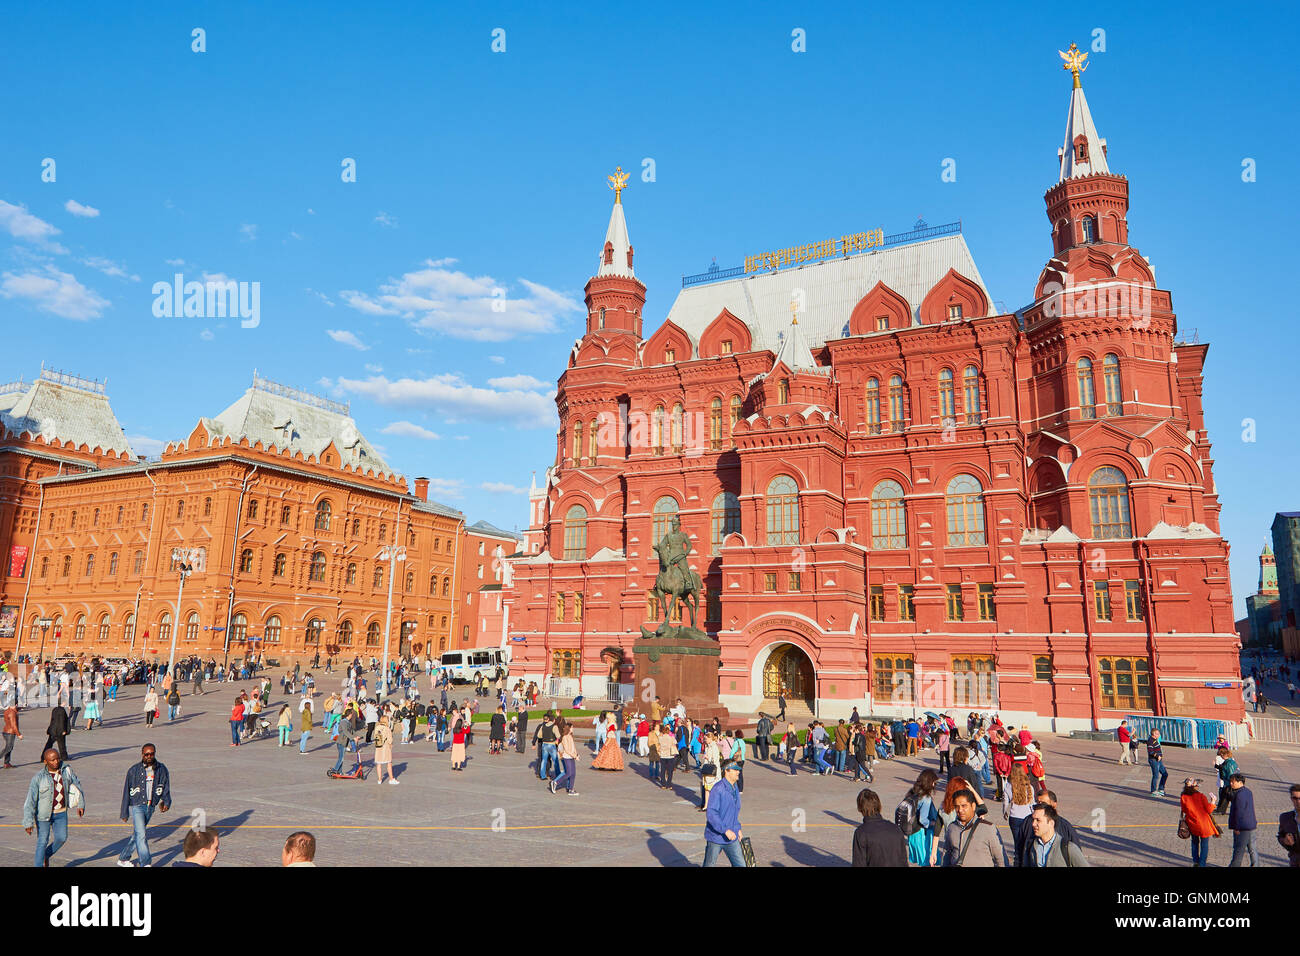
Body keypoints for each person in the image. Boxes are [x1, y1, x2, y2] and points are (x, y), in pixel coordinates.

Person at [22, 748, 85, 867]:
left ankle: (45, 855)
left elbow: (77, 785)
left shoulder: (66, 770)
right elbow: (30, 800)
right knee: (42, 841)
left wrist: (81, 804)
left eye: (57, 759)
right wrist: (28, 822)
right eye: (52, 760)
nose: (56, 762)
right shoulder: (38, 778)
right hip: (43, 815)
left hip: (61, 813)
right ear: (46, 762)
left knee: (62, 838)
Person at [116, 743, 171, 867]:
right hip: (137, 806)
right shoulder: (133, 770)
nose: (149, 756)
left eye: (152, 754)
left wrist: (166, 802)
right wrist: (124, 812)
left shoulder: (162, 769)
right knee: (142, 834)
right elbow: (126, 791)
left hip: (151, 806)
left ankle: (123, 858)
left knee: (137, 834)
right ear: (142, 754)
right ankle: (145, 863)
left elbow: (166, 787)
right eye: (146, 754)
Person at [940, 789, 1005, 867]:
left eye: (964, 806)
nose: (960, 810)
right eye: (957, 807)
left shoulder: (988, 828)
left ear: (973, 806)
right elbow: (946, 856)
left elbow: (1001, 860)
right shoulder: (952, 828)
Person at [702, 761, 744, 866]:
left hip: (732, 836)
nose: (738, 772)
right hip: (716, 836)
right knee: (709, 864)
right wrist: (725, 830)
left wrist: (737, 828)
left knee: (741, 865)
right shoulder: (718, 789)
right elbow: (711, 814)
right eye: (735, 770)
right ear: (726, 771)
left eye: (738, 770)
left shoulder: (735, 787)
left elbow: (734, 812)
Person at [851, 788, 907, 867]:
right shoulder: (895, 828)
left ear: (860, 808)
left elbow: (859, 863)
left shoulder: (861, 833)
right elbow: (903, 859)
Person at [902, 769, 941, 867]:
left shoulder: (913, 791)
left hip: (912, 832)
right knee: (926, 862)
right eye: (934, 782)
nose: (934, 785)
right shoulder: (926, 798)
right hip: (921, 834)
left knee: (922, 861)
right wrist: (932, 824)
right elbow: (923, 820)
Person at [1179, 778, 1219, 867]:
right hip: (1203, 824)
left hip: (1192, 823)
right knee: (1204, 844)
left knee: (1194, 842)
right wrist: (1213, 801)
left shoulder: (1183, 797)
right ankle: (1202, 864)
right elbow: (1209, 810)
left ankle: (1195, 861)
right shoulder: (1201, 796)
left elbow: (1184, 810)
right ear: (1195, 787)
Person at [1003, 765, 1036, 865]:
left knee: (1017, 844)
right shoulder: (1029, 786)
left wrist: (1004, 812)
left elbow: (1005, 801)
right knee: (1028, 842)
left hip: (1014, 817)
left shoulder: (1009, 786)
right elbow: (1032, 803)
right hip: (1027, 817)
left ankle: (1017, 863)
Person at [1227, 773, 1257, 866]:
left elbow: (1239, 813)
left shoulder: (1239, 795)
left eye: (1233, 782)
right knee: (1252, 849)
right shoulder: (1247, 791)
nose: (1231, 784)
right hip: (1251, 824)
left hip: (1243, 827)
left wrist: (1237, 827)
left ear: (1240, 782)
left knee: (1238, 850)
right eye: (1230, 782)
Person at [550, 720, 579, 795]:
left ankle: (571, 789)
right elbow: (567, 749)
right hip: (567, 757)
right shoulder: (565, 737)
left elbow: (573, 747)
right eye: (572, 727)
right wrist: (574, 756)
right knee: (568, 773)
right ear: (568, 728)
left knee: (573, 773)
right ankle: (555, 782)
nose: (573, 729)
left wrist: (576, 754)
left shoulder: (570, 736)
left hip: (571, 757)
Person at [1277, 782, 1300, 868]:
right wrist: (1284, 841)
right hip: (1295, 862)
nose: (1298, 801)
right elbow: (1280, 836)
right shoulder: (1285, 817)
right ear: (1291, 799)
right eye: (1295, 798)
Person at [373, 713, 398, 784]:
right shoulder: (387, 729)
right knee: (389, 763)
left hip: (378, 747)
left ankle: (379, 780)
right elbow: (390, 740)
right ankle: (391, 779)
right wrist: (391, 744)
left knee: (379, 764)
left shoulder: (377, 727)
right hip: (385, 747)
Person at [1214, 747, 1238, 814]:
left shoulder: (1228, 763)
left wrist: (1229, 780)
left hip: (1228, 783)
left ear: (1225, 755)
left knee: (1227, 797)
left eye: (1222, 755)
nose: (1221, 756)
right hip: (1229, 782)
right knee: (1225, 797)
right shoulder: (1230, 761)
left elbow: (1230, 774)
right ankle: (1221, 810)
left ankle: (1221, 810)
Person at [1145, 729, 1168, 796]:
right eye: (1157, 733)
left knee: (1165, 774)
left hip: (1159, 760)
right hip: (1154, 760)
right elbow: (1150, 751)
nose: (1159, 734)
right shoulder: (1150, 740)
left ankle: (1161, 789)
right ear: (1154, 734)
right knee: (1156, 775)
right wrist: (1157, 756)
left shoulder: (1155, 740)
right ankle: (1153, 791)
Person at [3, 698, 22, 768]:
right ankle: (6, 762)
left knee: (9, 747)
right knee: (8, 748)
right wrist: (19, 734)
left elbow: (16, 710)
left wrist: (21, 707)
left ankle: (6, 763)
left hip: (6, 731)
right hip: (10, 732)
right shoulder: (12, 713)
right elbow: (14, 725)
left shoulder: (8, 710)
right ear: (16, 704)